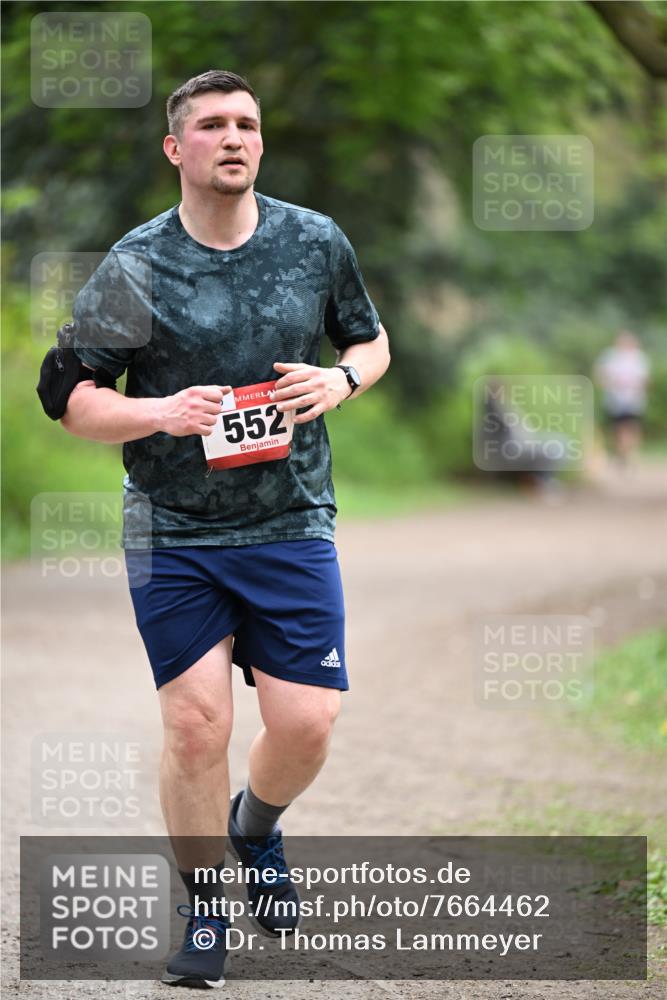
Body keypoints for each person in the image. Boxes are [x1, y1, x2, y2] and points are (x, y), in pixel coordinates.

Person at [60, 69, 390, 988]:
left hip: (289, 521)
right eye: (211, 125)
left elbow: (369, 339)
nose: (233, 137)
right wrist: (158, 413)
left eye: (246, 123)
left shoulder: (313, 241)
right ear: (177, 149)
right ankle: (206, 912)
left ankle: (256, 827)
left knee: (308, 724)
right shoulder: (135, 265)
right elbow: (74, 401)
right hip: (174, 530)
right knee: (198, 727)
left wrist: (342, 381)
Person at [594, 331, 650, 466]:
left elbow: (645, 380)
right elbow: (599, 374)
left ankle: (630, 453)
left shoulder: (639, 358)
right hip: (615, 400)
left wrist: (636, 386)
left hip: (634, 400)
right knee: (618, 428)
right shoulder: (610, 356)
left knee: (633, 427)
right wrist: (610, 384)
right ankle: (622, 452)